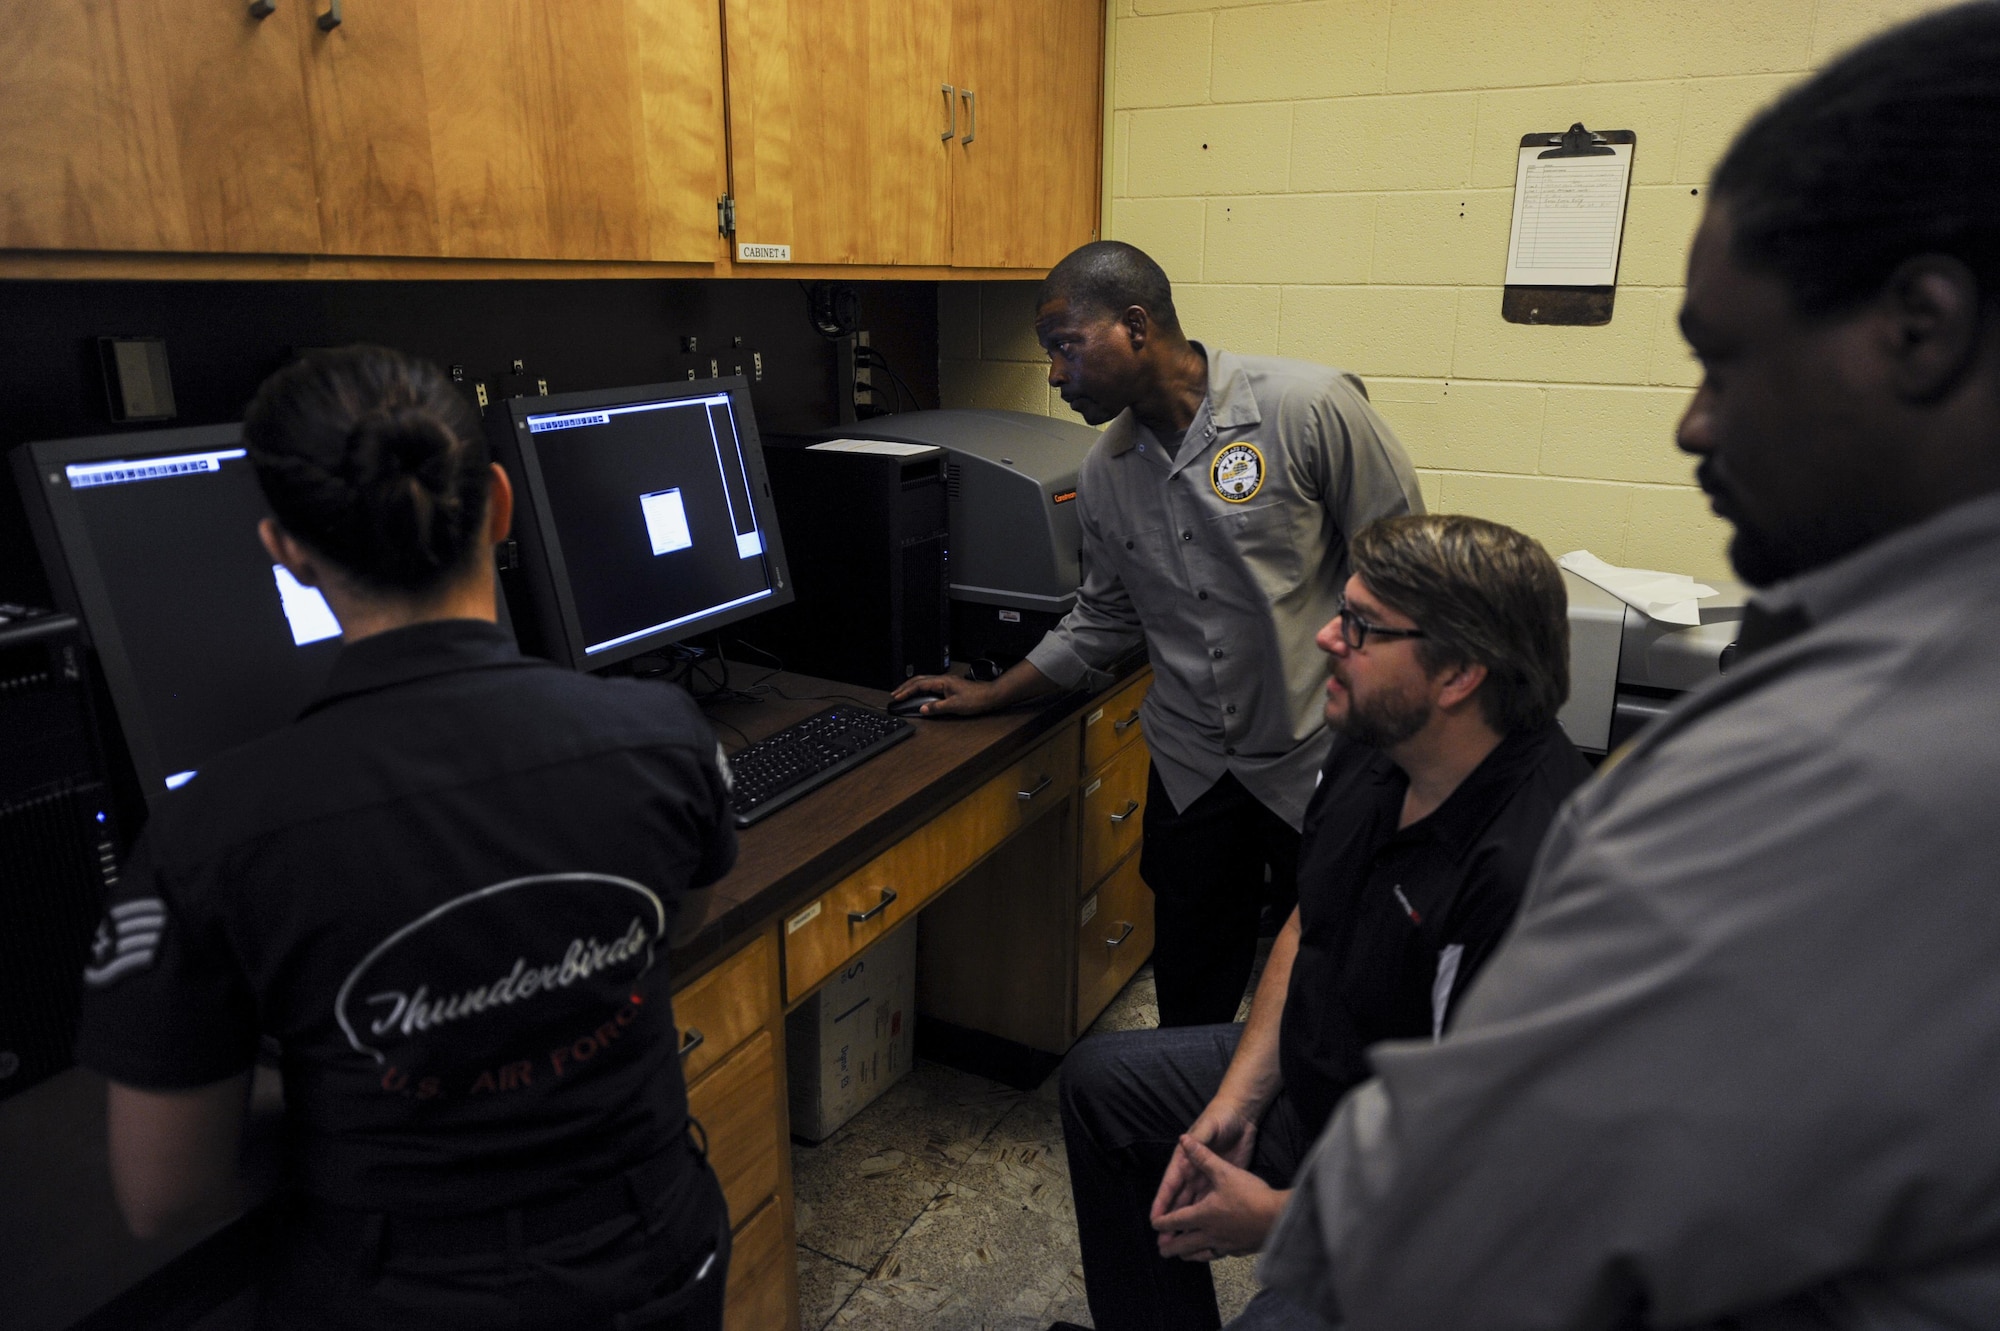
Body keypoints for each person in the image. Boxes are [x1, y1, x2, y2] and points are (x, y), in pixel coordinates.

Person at [1255, 6, 2000, 1327]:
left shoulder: (1841, 775)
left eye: (1723, 356)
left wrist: (1298, 1231)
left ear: (1921, 327)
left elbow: (1459, 1234)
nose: (1693, 419)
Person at [74, 347, 739, 1330]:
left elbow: (162, 1192)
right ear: (502, 504)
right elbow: (672, 925)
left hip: (407, 1294)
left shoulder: (210, 831)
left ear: (284, 550)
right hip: (658, 1261)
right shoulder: (662, 736)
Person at [1056, 515, 1590, 1331]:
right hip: (1328, 1091)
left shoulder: (1528, 876)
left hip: (1429, 1205)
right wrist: (1237, 1100)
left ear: (1458, 674)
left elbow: (1484, 1185)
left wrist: (1274, 1217)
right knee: (1102, 1087)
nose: (1327, 637)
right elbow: (1314, 920)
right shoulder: (1380, 733)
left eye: (1363, 627)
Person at [895, 241, 1423, 1027]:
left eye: (1064, 346)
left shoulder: (1307, 409)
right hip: (1194, 769)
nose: (1052, 373)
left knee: (1326, 982)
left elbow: (1406, 577)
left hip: (1316, 758)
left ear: (1136, 325)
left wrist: (1396, 758)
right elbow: (1104, 618)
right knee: (1192, 980)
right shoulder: (1106, 470)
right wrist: (991, 694)